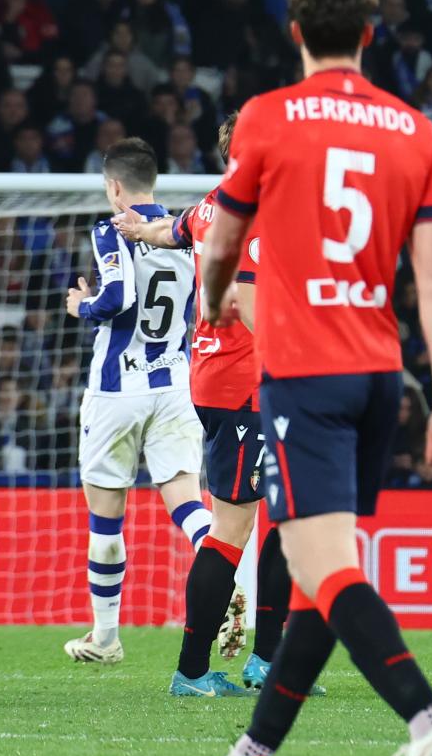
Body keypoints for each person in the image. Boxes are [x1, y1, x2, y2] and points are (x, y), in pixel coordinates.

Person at [192, 0, 432, 756]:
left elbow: (220, 245)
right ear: (370, 34)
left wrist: (213, 300)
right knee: (319, 575)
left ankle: (430, 721)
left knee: (326, 571)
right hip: (380, 378)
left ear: (294, 33)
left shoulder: (266, 120)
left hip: (304, 377)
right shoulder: (414, 130)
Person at [110, 115, 311, 698]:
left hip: (226, 379)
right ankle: (192, 672)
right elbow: (246, 301)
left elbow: (175, 231)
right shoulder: (252, 212)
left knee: (292, 516)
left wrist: (139, 229)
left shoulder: (215, 204)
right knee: (231, 527)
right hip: (248, 382)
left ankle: (267, 661)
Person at [62, 138, 204, 665]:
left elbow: (116, 298)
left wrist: (82, 305)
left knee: (106, 522)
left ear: (115, 187)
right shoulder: (187, 232)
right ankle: (226, 575)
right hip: (175, 384)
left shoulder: (111, 230)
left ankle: (105, 638)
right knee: (188, 506)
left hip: (118, 389)